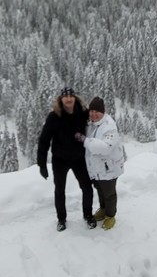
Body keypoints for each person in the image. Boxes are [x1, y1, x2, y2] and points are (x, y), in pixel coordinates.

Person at [37, 87, 96, 231]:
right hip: (60, 159)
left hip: (78, 158)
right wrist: (42, 164)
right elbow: (44, 140)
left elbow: (97, 122)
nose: (68, 99)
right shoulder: (54, 116)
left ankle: (88, 215)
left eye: (71, 96)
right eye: (65, 96)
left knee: (87, 187)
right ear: (61, 99)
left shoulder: (83, 113)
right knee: (60, 190)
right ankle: (61, 219)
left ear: (75, 97)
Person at [75, 96, 125, 230]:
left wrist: (85, 140)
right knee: (100, 190)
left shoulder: (109, 126)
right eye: (92, 111)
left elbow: (105, 147)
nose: (94, 114)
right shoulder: (91, 124)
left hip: (110, 167)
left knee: (109, 194)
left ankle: (110, 215)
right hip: (97, 169)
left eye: (97, 111)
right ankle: (103, 209)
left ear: (103, 112)